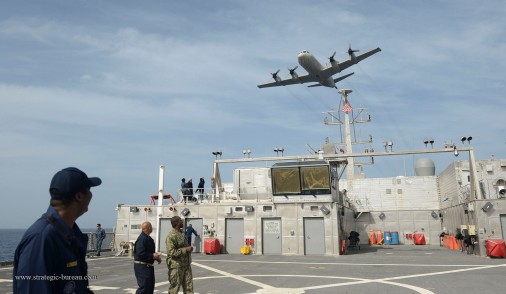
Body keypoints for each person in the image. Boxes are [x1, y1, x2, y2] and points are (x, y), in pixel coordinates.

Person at [13, 167, 101, 293]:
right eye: (89, 190)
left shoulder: (69, 234)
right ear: (79, 196)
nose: (91, 195)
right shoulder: (41, 238)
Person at [166, 216, 194, 294]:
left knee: (189, 288)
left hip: (186, 265)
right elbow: (171, 252)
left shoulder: (182, 233)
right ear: (176, 223)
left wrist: (189, 249)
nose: (182, 222)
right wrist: (185, 250)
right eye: (180, 221)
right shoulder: (171, 236)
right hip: (176, 266)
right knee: (174, 289)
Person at [133, 221, 162, 294]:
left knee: (149, 288)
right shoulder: (142, 239)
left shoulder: (147, 238)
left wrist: (155, 258)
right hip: (142, 267)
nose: (152, 228)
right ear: (149, 228)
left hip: (147, 266)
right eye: (151, 226)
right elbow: (140, 254)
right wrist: (153, 255)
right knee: (144, 288)